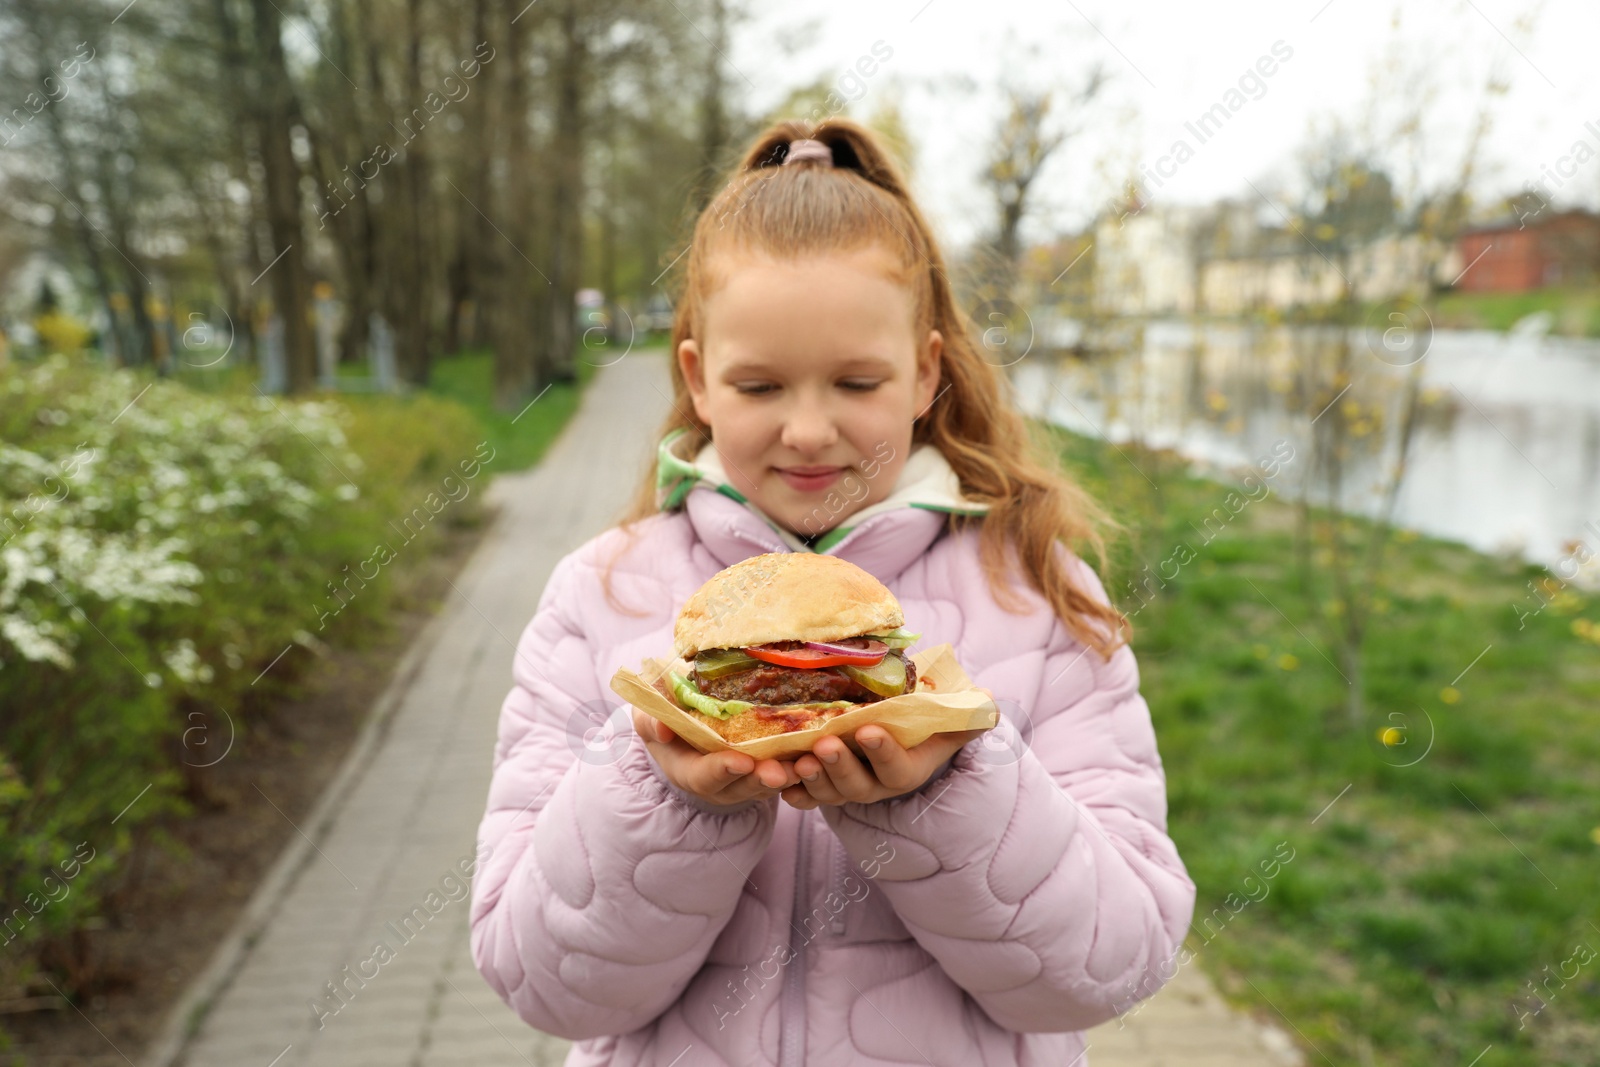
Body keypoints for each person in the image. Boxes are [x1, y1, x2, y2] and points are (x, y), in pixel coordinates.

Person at [469, 119, 1195, 1066]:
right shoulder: (599, 594)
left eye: (857, 382)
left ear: (926, 372)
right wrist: (667, 794)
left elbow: (1112, 966)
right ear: (698, 378)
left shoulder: (1040, 592)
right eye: (760, 385)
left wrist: (945, 789)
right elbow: (545, 983)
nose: (809, 430)